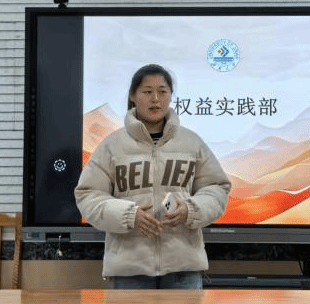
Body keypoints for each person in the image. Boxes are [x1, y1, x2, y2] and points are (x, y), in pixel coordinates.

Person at [75, 64, 231, 289]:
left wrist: (191, 209)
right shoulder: (112, 146)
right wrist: (128, 215)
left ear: (171, 96)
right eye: (147, 92)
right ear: (133, 95)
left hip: (183, 271)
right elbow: (88, 195)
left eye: (162, 91)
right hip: (129, 273)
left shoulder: (191, 143)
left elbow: (217, 188)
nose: (155, 99)